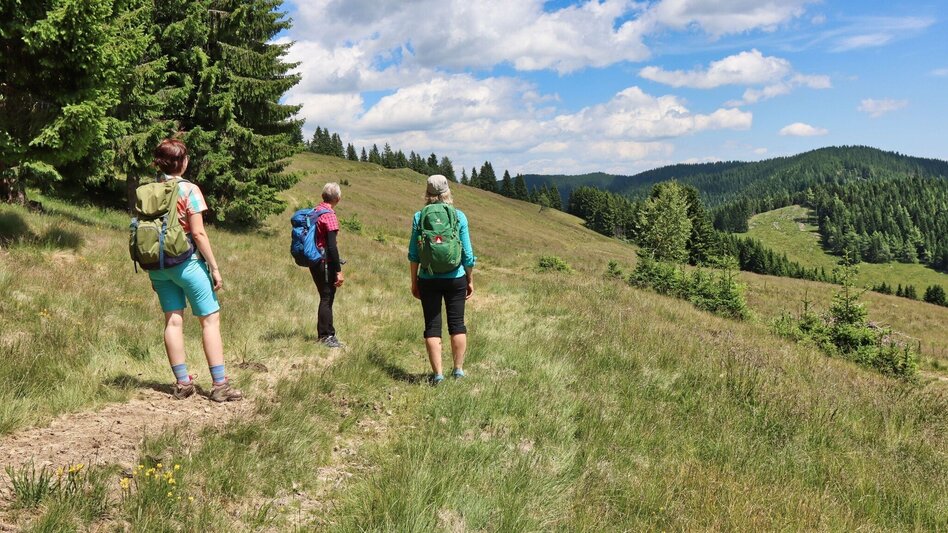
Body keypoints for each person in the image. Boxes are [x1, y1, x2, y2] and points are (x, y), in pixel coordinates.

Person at [145, 139, 242, 402]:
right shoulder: (189, 189)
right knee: (209, 320)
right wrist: (214, 267)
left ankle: (182, 383)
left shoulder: (151, 189)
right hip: (186, 262)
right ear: (183, 162)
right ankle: (220, 385)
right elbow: (198, 233)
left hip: (158, 264)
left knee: (173, 320)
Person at [408, 175, 476, 384]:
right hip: (455, 277)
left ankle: (438, 375)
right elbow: (468, 254)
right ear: (447, 192)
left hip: (428, 278)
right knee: (457, 324)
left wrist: (414, 282)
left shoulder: (419, 216)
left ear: (427, 193)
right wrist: (469, 279)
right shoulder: (458, 216)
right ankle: (458, 371)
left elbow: (413, 254)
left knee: (432, 326)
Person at [310, 182, 345, 348]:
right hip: (324, 262)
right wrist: (338, 270)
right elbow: (331, 246)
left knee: (325, 296)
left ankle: (329, 333)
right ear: (337, 198)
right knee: (327, 297)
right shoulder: (329, 215)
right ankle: (325, 336)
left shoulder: (316, 211)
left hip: (314, 259)